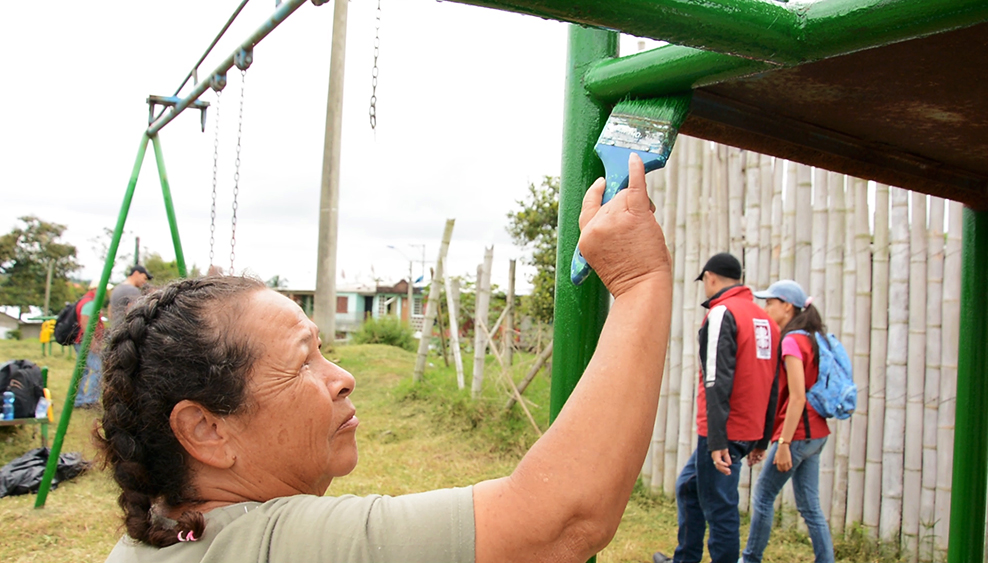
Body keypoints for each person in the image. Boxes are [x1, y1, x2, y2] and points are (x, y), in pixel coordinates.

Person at [98, 153, 675, 563]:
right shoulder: (271, 544)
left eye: (324, 352)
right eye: (303, 362)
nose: (343, 379)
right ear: (205, 428)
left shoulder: (162, 538)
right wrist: (638, 279)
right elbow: (558, 522)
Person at [654, 253, 779, 563]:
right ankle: (685, 559)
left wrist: (717, 440)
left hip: (723, 431)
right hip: (746, 428)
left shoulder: (723, 312)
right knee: (688, 487)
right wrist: (762, 438)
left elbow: (715, 379)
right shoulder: (765, 320)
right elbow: (774, 383)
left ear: (710, 277)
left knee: (720, 508)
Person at [741, 280, 835, 563]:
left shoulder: (792, 341)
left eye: (770, 302)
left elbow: (796, 398)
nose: (766, 308)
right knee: (810, 506)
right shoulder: (812, 338)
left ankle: (749, 559)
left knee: (763, 496)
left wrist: (783, 443)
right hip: (816, 434)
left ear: (787, 306)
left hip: (796, 435)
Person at [75, 280, 110, 408]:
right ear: (96, 289)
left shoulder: (84, 300)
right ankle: (90, 400)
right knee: (99, 369)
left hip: (81, 341)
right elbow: (85, 322)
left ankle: (78, 399)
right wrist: (93, 342)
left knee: (82, 371)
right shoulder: (90, 303)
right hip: (87, 341)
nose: (105, 293)